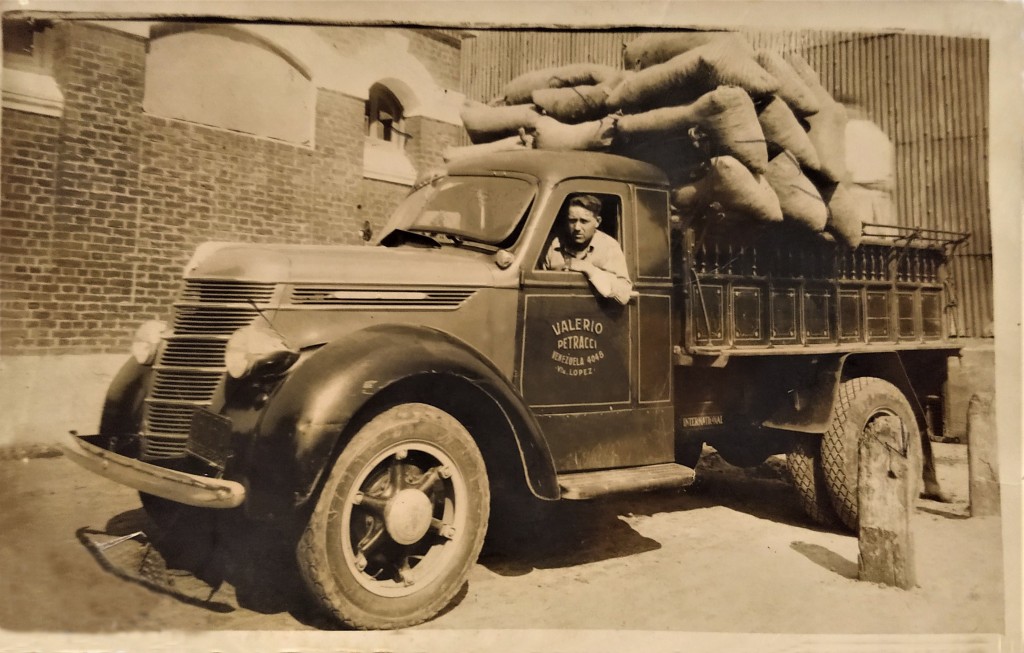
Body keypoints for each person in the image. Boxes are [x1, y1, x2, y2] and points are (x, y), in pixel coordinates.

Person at [542, 194, 632, 305]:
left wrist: (589, 269)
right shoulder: (555, 244)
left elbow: (624, 295)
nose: (577, 228)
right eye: (572, 221)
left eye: (584, 221)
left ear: (597, 221)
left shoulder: (609, 247)